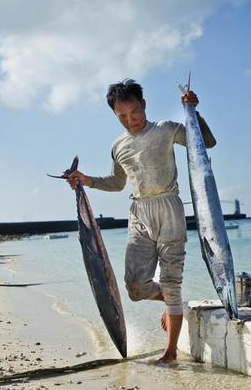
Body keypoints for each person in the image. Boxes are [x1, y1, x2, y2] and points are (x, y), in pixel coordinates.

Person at [66, 78, 216, 363]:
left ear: (143, 105)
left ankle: (170, 351)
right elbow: (116, 182)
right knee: (134, 285)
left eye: (134, 112)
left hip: (169, 207)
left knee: (172, 281)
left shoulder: (166, 130)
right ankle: (172, 302)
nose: (130, 119)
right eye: (122, 115)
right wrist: (87, 180)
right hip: (138, 213)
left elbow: (206, 142)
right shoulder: (118, 146)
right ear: (114, 115)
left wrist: (193, 112)